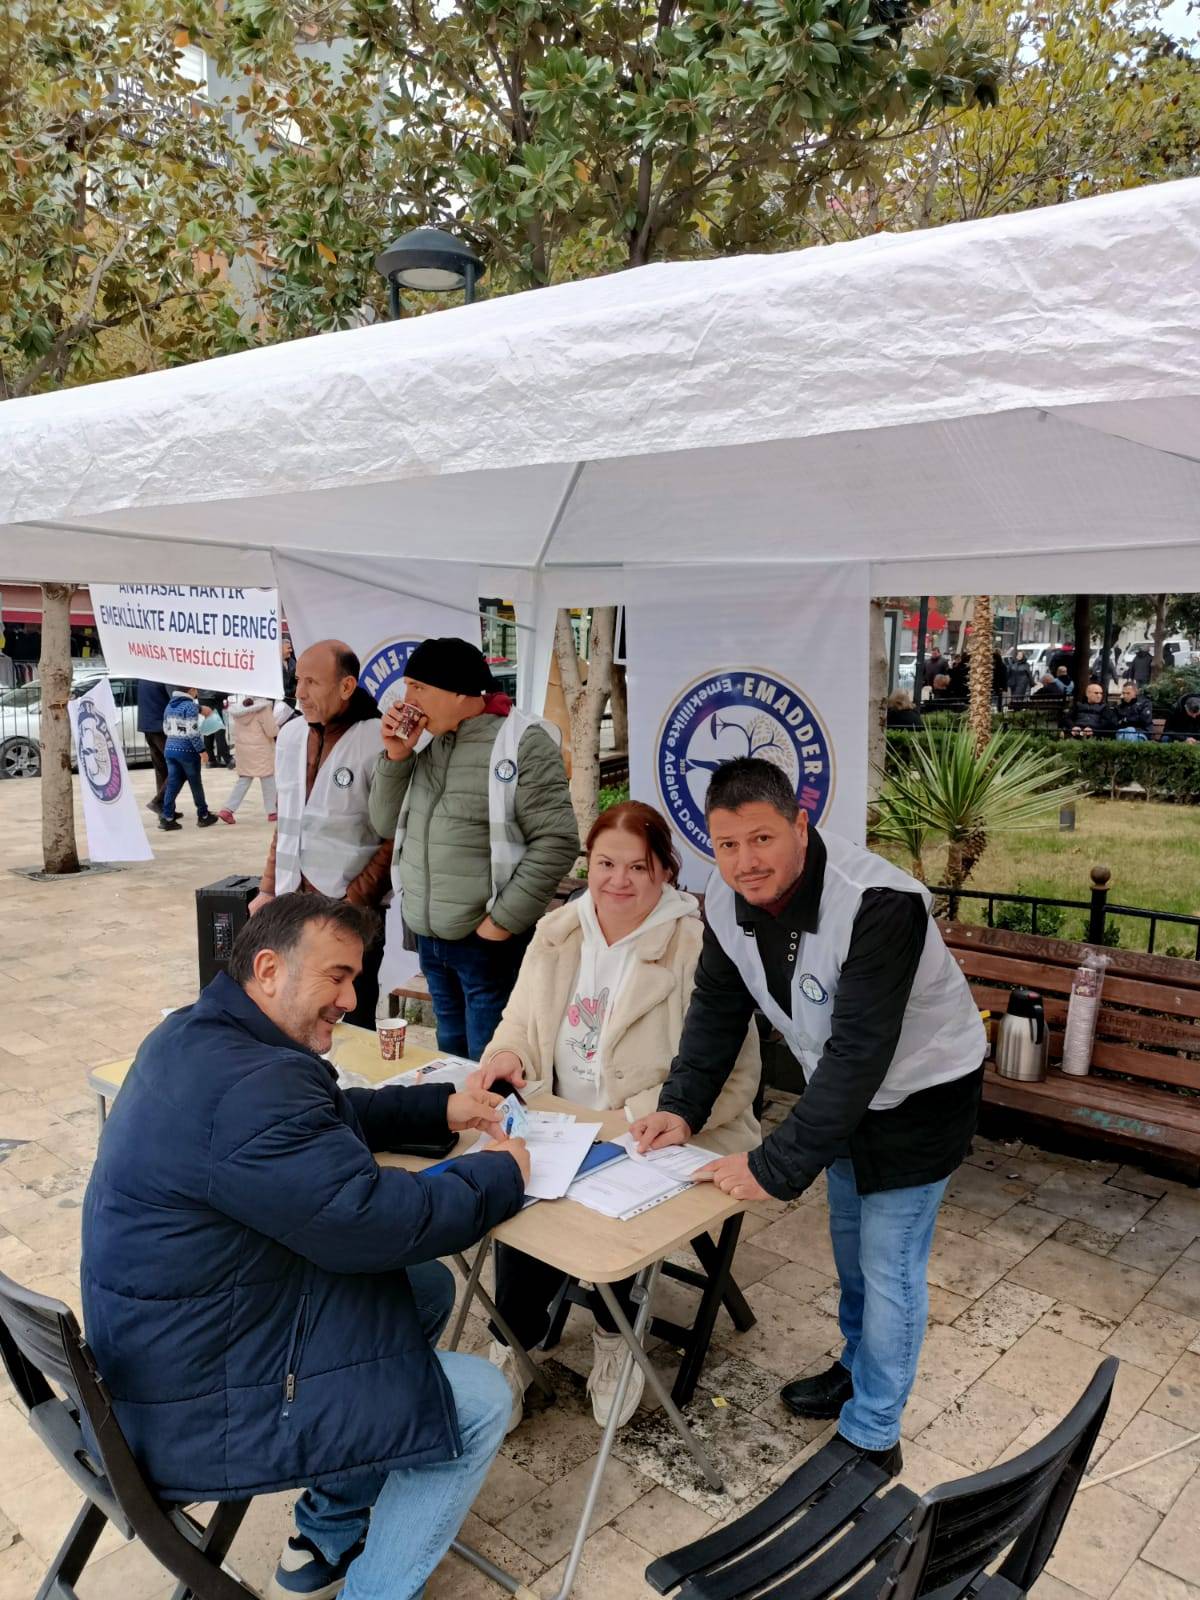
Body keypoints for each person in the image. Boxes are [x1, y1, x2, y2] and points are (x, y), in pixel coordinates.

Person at [81, 893, 528, 1600]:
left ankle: (328, 1525)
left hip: (162, 1351)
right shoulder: (256, 1081)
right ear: (267, 969)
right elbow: (371, 1221)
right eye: (338, 977)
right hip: (201, 1399)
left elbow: (318, 1120)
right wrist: (502, 1173)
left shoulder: (202, 1034)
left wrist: (434, 1107)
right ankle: (372, 1591)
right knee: (477, 1398)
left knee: (426, 1287)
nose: (351, 997)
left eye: (357, 978)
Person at [631, 758, 986, 1477]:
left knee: (890, 1266)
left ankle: (875, 1434)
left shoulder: (881, 904)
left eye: (761, 839)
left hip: (922, 1095)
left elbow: (861, 1054)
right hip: (845, 1093)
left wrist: (774, 1166)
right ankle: (858, 1369)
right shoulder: (724, 900)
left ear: (800, 825)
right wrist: (679, 1108)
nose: (744, 862)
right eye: (726, 845)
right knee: (852, 1246)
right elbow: (716, 1010)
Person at [468, 800, 761, 1430]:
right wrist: (508, 1057)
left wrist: (639, 1116)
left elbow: (735, 1075)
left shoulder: (696, 946)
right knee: (517, 1193)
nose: (618, 881)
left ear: (665, 873)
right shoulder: (559, 932)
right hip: (561, 1119)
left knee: (603, 1209)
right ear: (589, 863)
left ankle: (615, 1336)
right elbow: (517, 1022)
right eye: (606, 863)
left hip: (650, 1131)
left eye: (638, 866)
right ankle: (513, 1340)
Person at [369, 637, 579, 1061]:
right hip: (430, 936)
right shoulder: (428, 743)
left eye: (418, 688)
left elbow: (557, 841)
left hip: (486, 941)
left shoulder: (523, 742)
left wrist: (499, 923)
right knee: (451, 1055)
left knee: (492, 1061)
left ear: (460, 692)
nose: (408, 700)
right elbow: (383, 822)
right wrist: (395, 756)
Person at [253, 640, 393, 1027]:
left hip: (349, 906)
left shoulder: (378, 739)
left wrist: (356, 899)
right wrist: (268, 887)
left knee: (351, 1012)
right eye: (298, 680)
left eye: (312, 682)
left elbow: (393, 833)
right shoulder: (293, 734)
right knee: (292, 1009)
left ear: (346, 687)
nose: (300, 692)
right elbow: (287, 819)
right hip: (292, 902)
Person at [160, 687, 218, 832]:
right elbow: (192, 732)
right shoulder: (190, 707)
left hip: (170, 749)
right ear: (191, 690)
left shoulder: (169, 705)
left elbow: (165, 729)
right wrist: (202, 751)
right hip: (187, 751)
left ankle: (167, 817)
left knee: (172, 784)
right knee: (195, 784)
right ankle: (203, 815)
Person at [220, 695, 279, 822]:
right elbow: (271, 731)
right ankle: (272, 812)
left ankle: (228, 809)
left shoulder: (239, 708)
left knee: (244, 780)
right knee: (268, 779)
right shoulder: (264, 708)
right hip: (261, 749)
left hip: (243, 749)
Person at [136, 679, 173, 816]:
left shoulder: (145, 675)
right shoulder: (162, 675)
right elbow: (175, 700)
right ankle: (159, 802)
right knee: (179, 767)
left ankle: (166, 811)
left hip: (148, 725)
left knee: (161, 770)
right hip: (161, 727)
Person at [199, 699, 231, 768]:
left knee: (208, 732)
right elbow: (220, 693)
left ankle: (211, 760)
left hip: (204, 704)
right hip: (215, 705)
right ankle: (227, 759)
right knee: (219, 733)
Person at [281, 637, 298, 708]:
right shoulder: (273, 663)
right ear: (280, 648)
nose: (291, 650)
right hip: (278, 703)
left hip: (292, 702)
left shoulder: (293, 662)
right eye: (288, 648)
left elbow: (297, 681)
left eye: (291, 648)